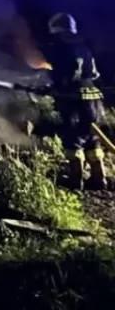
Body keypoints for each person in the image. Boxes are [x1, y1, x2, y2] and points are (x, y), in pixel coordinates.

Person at [41, 12, 107, 190]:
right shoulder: (84, 47)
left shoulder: (63, 50)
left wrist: (53, 88)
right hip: (94, 101)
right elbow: (90, 74)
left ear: (58, 31)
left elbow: (66, 76)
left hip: (76, 102)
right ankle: (99, 178)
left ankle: (75, 180)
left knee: (73, 139)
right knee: (92, 140)